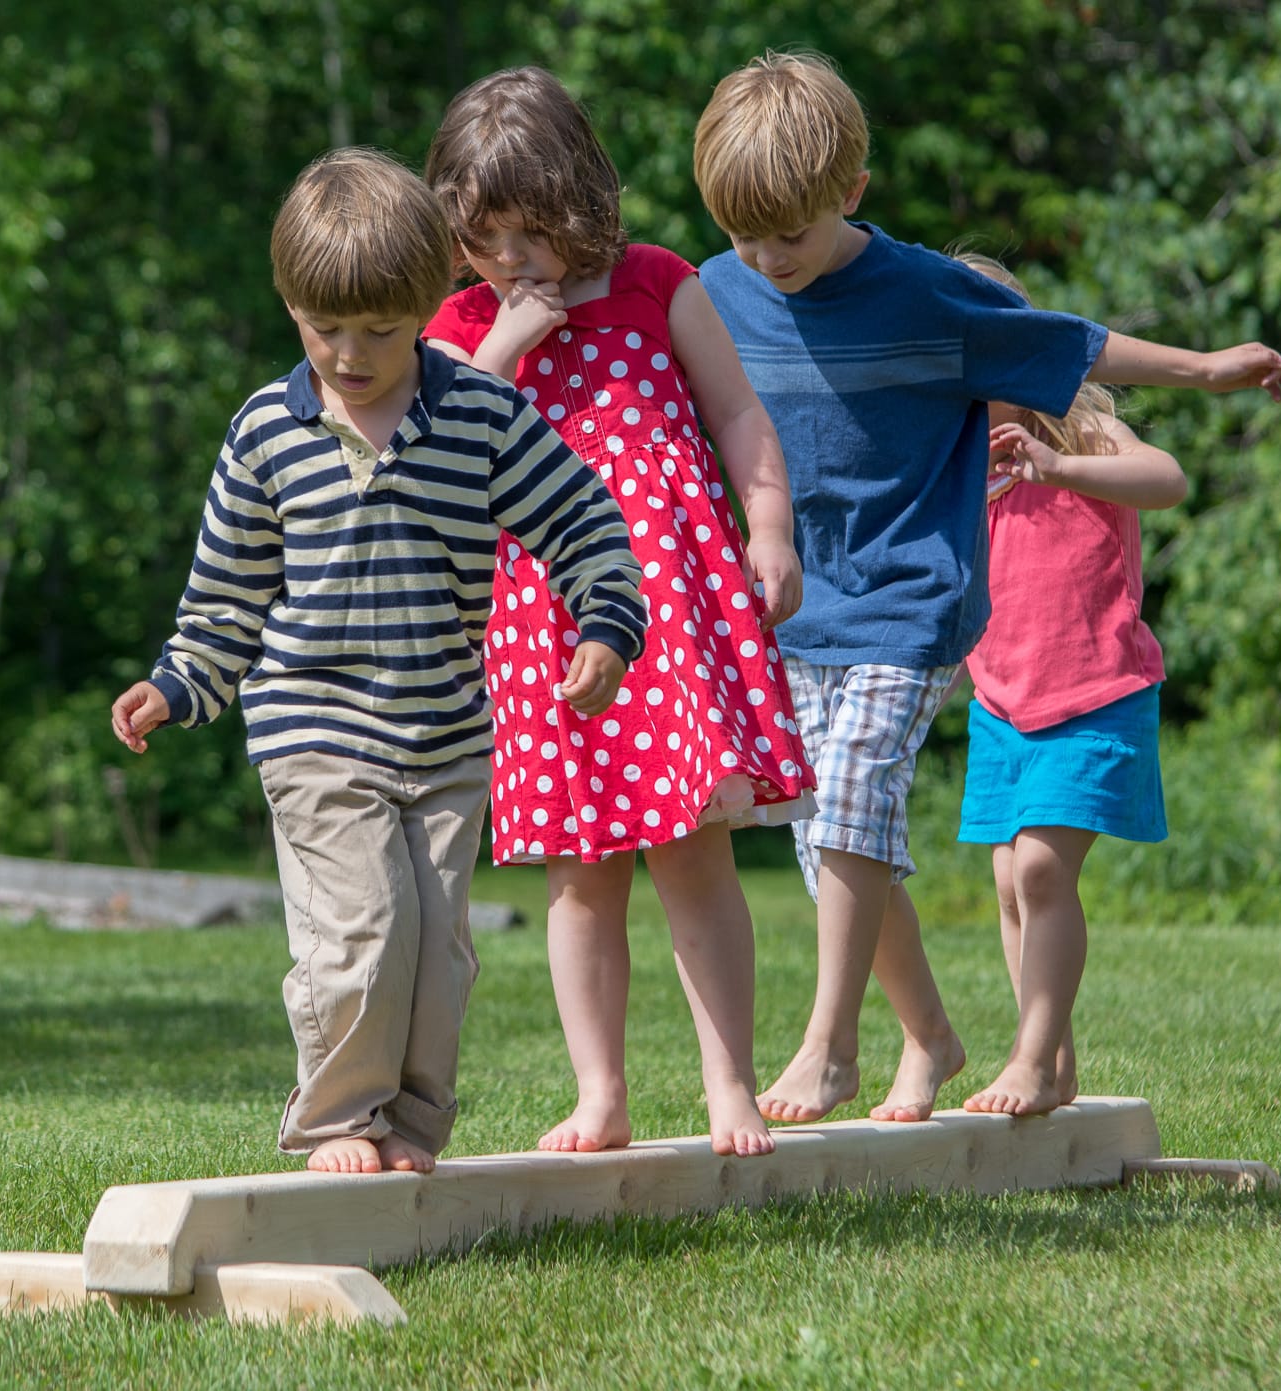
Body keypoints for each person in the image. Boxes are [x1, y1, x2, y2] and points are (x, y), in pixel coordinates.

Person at [690, 52, 1281, 1125]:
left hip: (911, 598)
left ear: (851, 190)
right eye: (747, 235)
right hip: (794, 612)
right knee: (828, 831)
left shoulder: (933, 294)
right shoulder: (719, 291)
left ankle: (830, 1044)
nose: (768, 257)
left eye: (790, 231)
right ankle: (931, 1034)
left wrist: (1205, 369)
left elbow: (1077, 345)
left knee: (856, 797)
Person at [111, 148, 647, 1175]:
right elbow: (227, 597)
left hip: (445, 734)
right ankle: (333, 1124)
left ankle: (407, 1127)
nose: (351, 355)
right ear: (290, 306)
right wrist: (177, 683)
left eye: (381, 331)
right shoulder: (268, 432)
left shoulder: (482, 418)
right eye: (325, 330)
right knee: (363, 932)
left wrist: (605, 626)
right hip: (314, 729)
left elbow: (586, 524)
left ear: (431, 305)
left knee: (438, 952)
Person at [422, 67, 813, 1158]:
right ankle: (601, 1093)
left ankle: (730, 1084)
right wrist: (505, 343)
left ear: (580, 200)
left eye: (532, 230)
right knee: (581, 876)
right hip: (550, 626)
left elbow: (739, 415)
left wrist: (770, 530)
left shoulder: (657, 281)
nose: (511, 258)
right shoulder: (452, 332)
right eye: (486, 235)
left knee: (695, 853)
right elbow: (444, 462)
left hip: (671, 611)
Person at [954, 251, 1184, 1116]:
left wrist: (1059, 469)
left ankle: (1028, 1056)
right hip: (1003, 705)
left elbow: (1167, 479)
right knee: (1013, 882)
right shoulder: (961, 458)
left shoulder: (1082, 431)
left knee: (1045, 870)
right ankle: (1053, 1065)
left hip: (1096, 694)